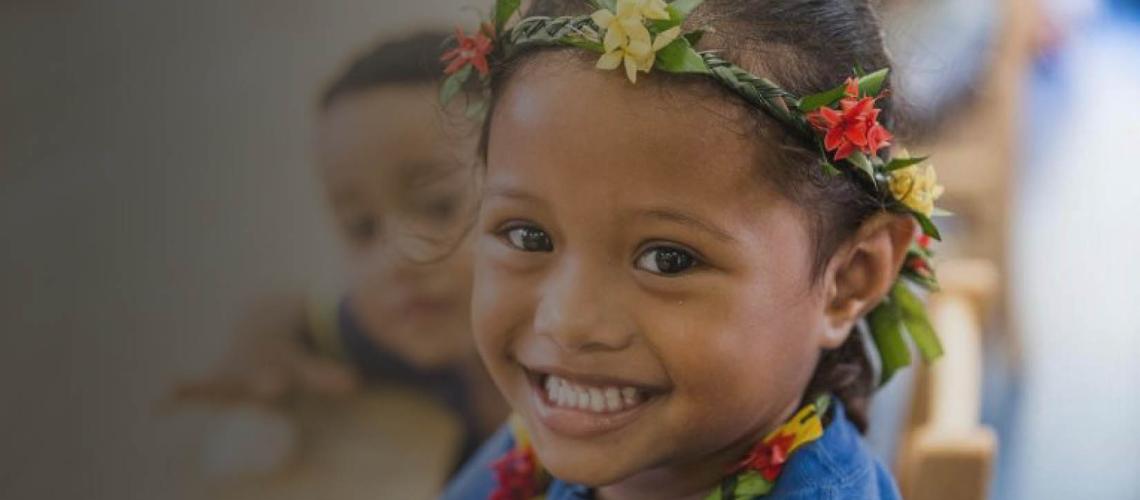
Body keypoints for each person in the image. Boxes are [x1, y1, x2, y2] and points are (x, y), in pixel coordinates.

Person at [439, 0, 948, 498]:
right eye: (529, 236)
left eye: (668, 259)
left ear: (848, 279)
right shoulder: (539, 440)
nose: (566, 321)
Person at [174, 32, 506, 471]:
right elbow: (288, 314)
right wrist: (259, 345)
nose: (396, 259)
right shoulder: (414, 340)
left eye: (438, 207)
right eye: (360, 228)